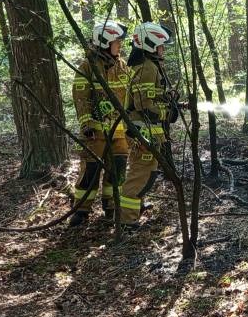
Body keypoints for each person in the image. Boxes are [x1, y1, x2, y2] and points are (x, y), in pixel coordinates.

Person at [69, 20, 131, 226]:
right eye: (116, 42)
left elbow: (131, 95)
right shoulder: (87, 67)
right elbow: (80, 98)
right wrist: (86, 123)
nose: (119, 46)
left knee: (118, 171)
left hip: (120, 133)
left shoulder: (122, 66)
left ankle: (112, 206)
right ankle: (81, 210)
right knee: (90, 171)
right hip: (95, 133)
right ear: (105, 42)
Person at [121, 21, 176, 227]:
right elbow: (143, 105)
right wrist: (167, 112)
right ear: (150, 44)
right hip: (143, 131)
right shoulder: (146, 67)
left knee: (147, 173)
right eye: (161, 45)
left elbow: (151, 97)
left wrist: (169, 100)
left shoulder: (150, 65)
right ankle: (127, 221)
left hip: (148, 131)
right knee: (139, 175)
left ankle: (136, 208)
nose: (163, 50)